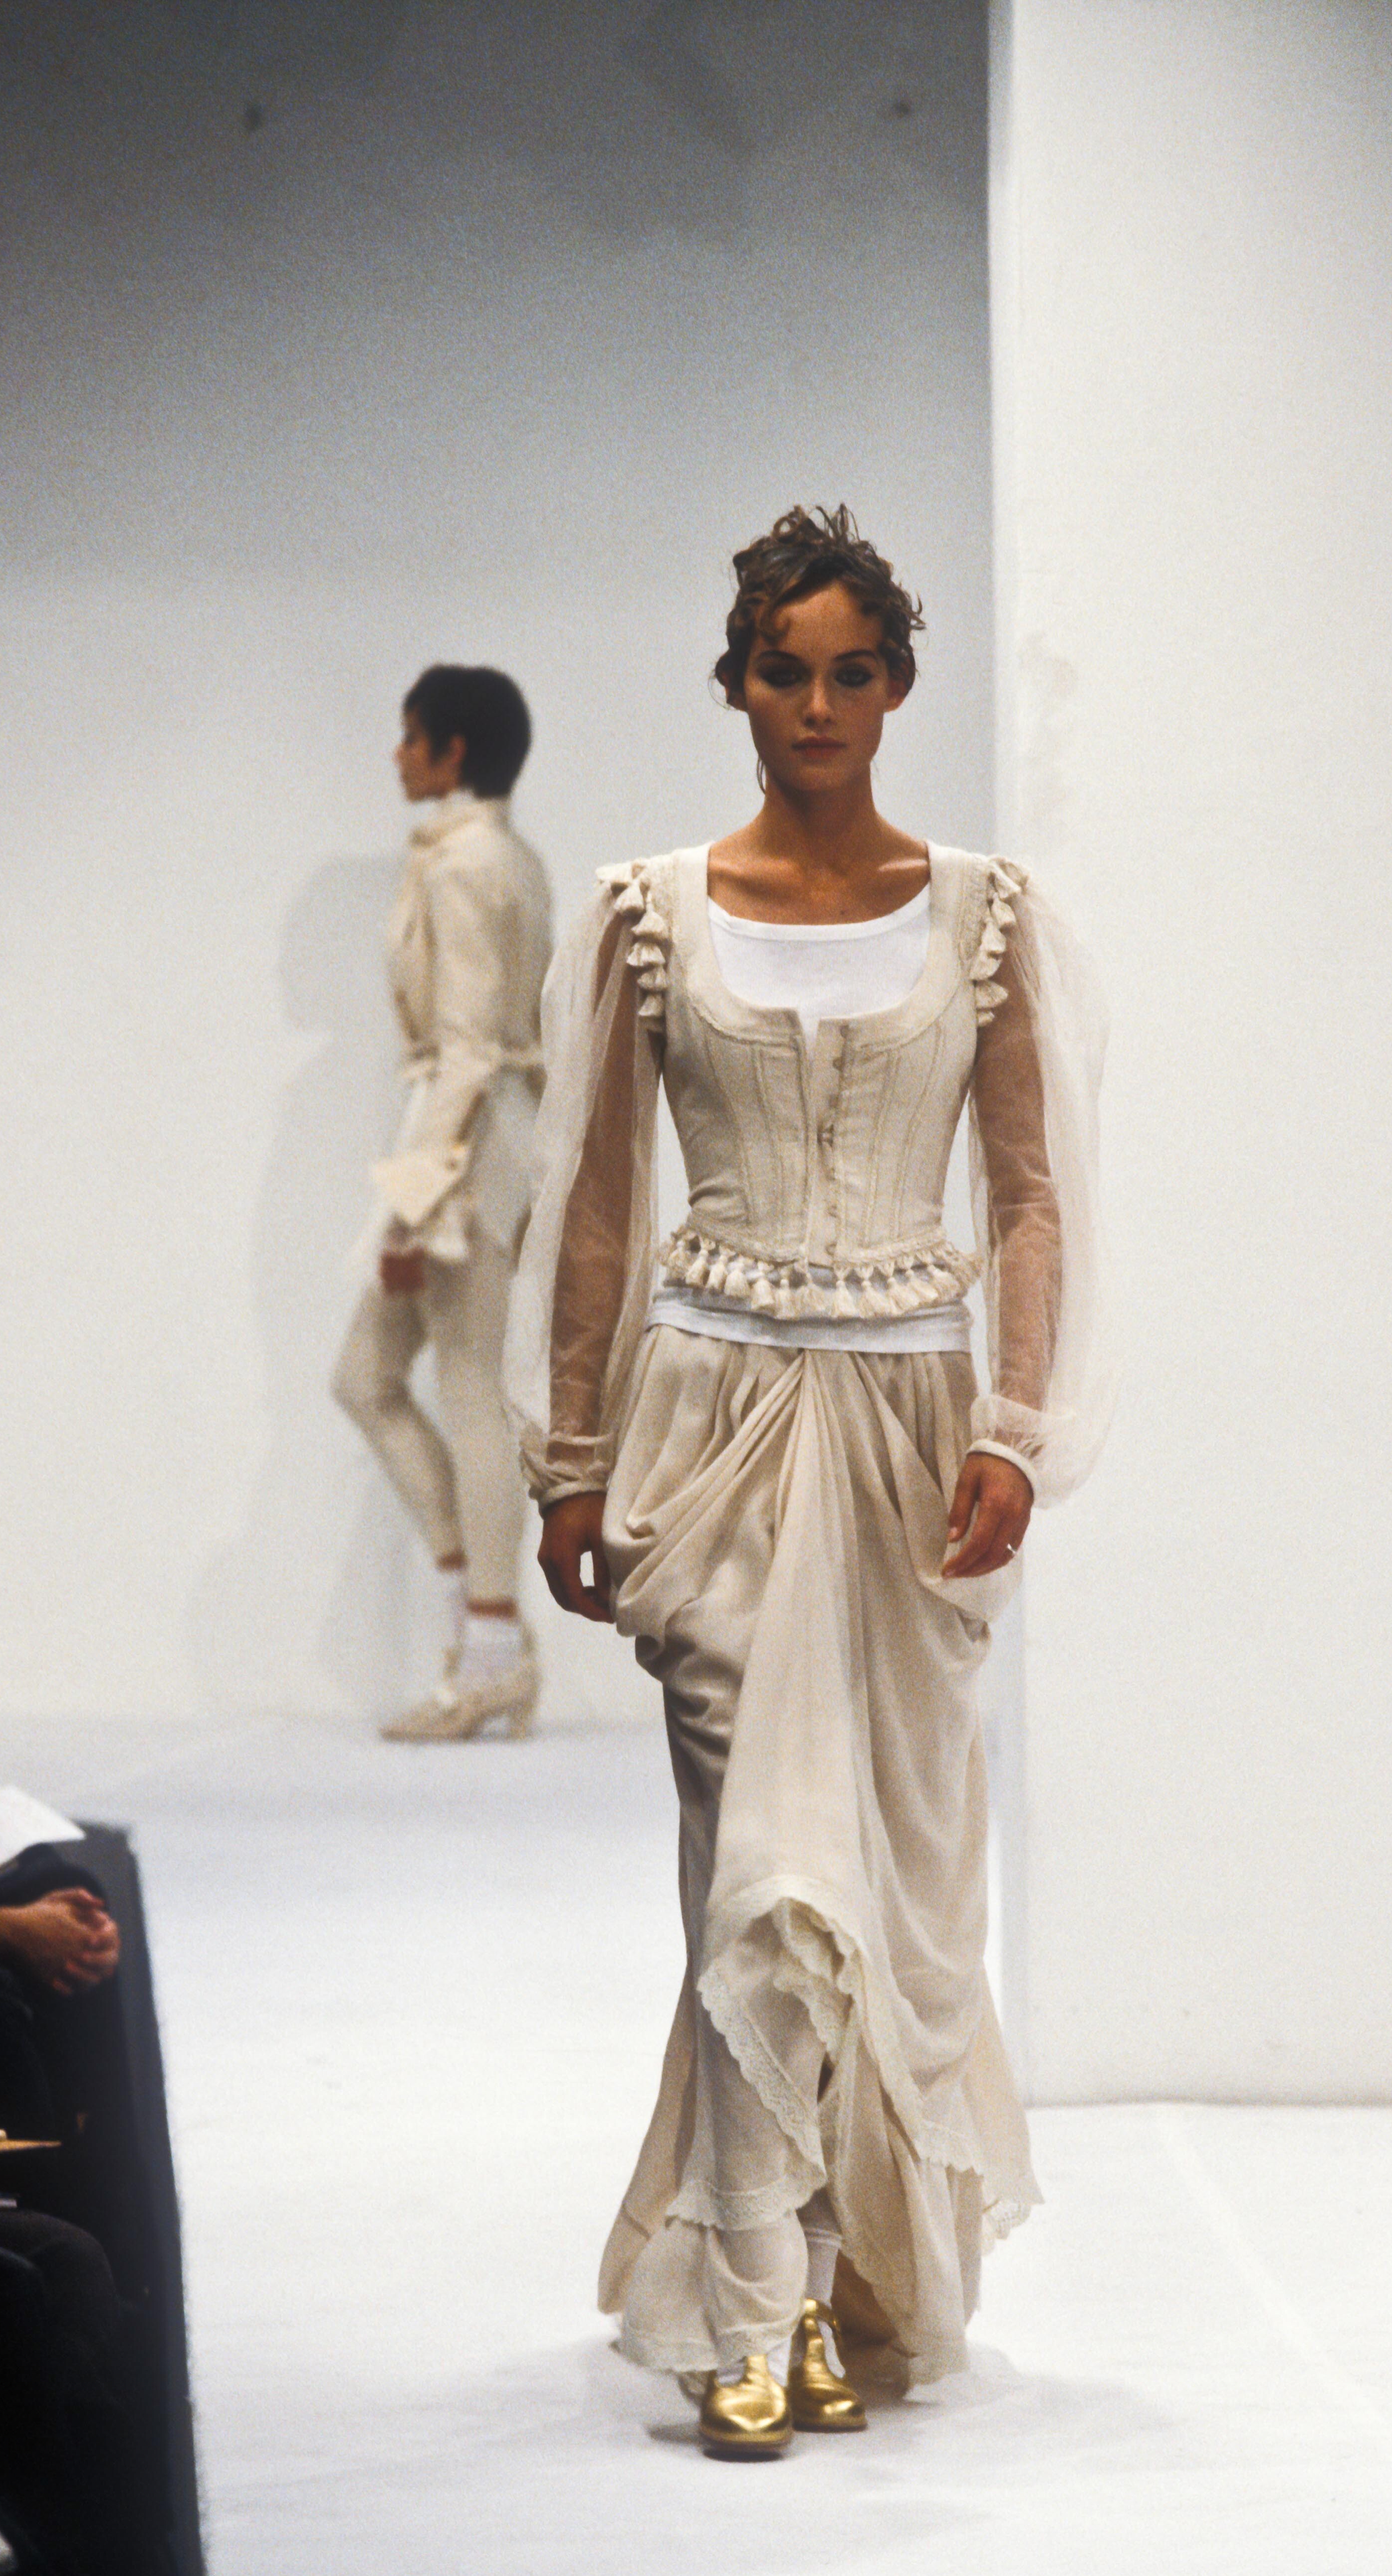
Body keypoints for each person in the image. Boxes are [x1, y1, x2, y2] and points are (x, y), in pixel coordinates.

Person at [506, 506, 1109, 2458]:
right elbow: (598, 1203)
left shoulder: (983, 913)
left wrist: (1016, 1427)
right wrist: (570, 1458)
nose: (821, 704)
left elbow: (1031, 1195)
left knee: (892, 1884)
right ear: (739, 685)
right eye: (787, 670)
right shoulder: (649, 910)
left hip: (915, 1441)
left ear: (901, 686)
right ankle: (749, 2297)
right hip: (711, 1426)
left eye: (855, 671)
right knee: (753, 1865)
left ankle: (840, 2277)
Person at [334, 665, 554, 1741]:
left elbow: (468, 1049)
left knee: (468, 1390)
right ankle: (482, 1630)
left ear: (452, 750)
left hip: (467, 1147)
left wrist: (416, 1205)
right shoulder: (498, 856)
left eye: (411, 734)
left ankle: (492, 1652)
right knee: (367, 1378)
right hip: (474, 1134)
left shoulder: (469, 864)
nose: (398, 753)